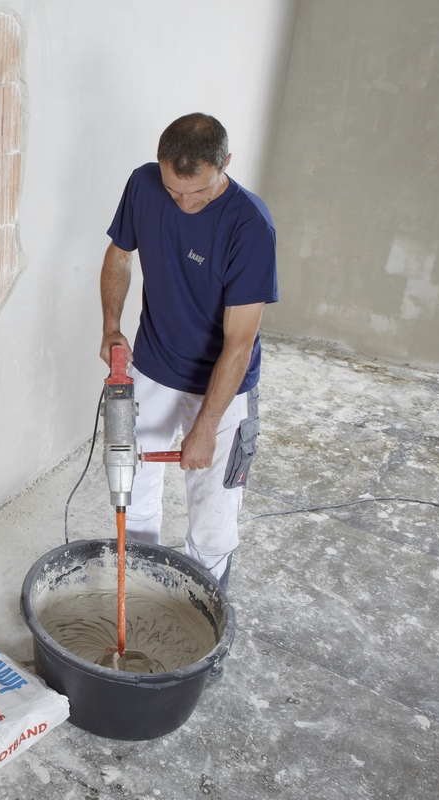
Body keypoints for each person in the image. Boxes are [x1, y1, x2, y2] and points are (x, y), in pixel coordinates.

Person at [99, 113, 278, 594]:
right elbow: (120, 254)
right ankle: (138, 600)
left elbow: (239, 343)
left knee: (213, 526)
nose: (184, 203)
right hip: (152, 366)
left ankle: (200, 623)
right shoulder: (143, 184)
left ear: (225, 164)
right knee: (131, 500)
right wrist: (112, 327)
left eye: (197, 191)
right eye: (173, 190)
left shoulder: (251, 227)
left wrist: (204, 426)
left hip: (221, 386)